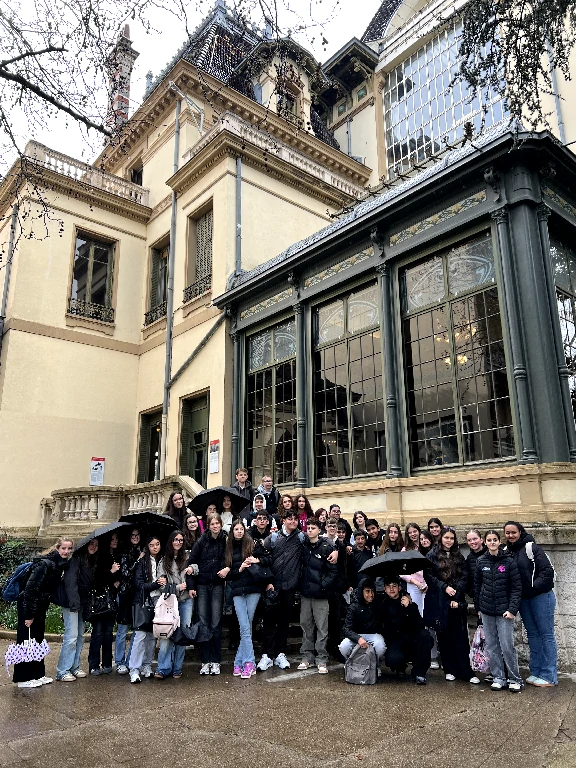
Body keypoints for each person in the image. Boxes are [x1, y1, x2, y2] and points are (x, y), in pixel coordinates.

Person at [13, 538, 74, 688]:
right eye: (64, 548)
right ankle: (23, 678)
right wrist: (29, 615)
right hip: (29, 606)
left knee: (38, 640)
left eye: (69, 549)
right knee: (26, 641)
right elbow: (30, 590)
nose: (66, 552)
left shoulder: (59, 564)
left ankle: (37, 674)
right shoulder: (45, 564)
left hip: (39, 607)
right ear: (57, 548)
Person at [504, 521, 557, 687]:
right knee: (533, 635)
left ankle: (549, 675)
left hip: (540, 597)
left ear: (520, 532)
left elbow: (547, 572)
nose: (510, 535)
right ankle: (536, 672)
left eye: (513, 532)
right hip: (523, 599)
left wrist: (533, 588)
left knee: (546, 635)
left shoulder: (531, 548)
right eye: (507, 533)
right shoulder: (506, 552)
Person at [425, 527, 480, 684]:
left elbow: (465, 575)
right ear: (441, 538)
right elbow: (429, 576)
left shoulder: (458, 555)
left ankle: (466, 671)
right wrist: (444, 587)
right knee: (444, 636)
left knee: (461, 636)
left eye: (451, 538)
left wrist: (456, 593)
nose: (449, 541)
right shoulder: (432, 555)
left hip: (457, 599)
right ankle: (449, 669)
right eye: (446, 537)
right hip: (441, 600)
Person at [474, 530, 523, 692]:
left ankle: (515, 679)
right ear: (485, 542)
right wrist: (479, 608)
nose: (492, 542)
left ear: (499, 542)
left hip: (504, 612)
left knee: (507, 645)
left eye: (495, 540)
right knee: (492, 646)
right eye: (489, 540)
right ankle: (498, 677)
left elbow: (516, 588)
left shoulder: (509, 562)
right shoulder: (481, 562)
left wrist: (512, 610)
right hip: (487, 611)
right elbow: (477, 587)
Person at [258, 509, 305, 671]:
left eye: (295, 519)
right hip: (273, 586)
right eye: (290, 519)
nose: (293, 522)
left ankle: (279, 653)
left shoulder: (300, 537)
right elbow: (262, 559)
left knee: (285, 621)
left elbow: (317, 542)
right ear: (283, 520)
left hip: (290, 587)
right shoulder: (273, 538)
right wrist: (267, 581)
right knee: (269, 621)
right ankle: (267, 654)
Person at [226, 520, 270, 678]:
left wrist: (255, 560)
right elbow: (227, 574)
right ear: (232, 531)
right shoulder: (229, 549)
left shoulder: (253, 545)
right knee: (244, 627)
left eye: (241, 529)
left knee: (246, 627)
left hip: (253, 589)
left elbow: (268, 560)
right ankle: (245, 662)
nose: (239, 531)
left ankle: (245, 663)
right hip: (237, 591)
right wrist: (239, 569)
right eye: (236, 529)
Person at [187, 513, 228, 675]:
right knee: (204, 623)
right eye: (212, 524)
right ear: (208, 526)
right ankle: (205, 661)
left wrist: (227, 569)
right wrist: (191, 586)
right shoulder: (201, 541)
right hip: (203, 584)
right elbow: (191, 563)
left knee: (216, 624)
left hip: (217, 585)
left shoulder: (226, 540)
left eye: (217, 523)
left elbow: (230, 560)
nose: (215, 526)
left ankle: (216, 660)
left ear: (221, 524)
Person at [297, 518, 338, 674]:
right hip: (306, 594)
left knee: (322, 628)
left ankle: (321, 658)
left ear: (319, 530)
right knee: (306, 626)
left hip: (321, 595)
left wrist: (323, 585)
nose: (310, 530)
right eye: (308, 528)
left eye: (313, 528)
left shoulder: (327, 547)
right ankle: (306, 656)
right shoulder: (303, 546)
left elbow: (333, 571)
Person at [54, 538, 96, 681]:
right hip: (72, 604)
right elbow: (70, 584)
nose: (94, 547)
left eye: (96, 545)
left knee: (79, 637)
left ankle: (74, 667)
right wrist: (74, 605)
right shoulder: (75, 560)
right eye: (91, 544)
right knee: (71, 637)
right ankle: (62, 670)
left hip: (81, 603)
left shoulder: (88, 561)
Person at [154, 529, 193, 679]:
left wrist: (192, 568)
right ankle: (163, 667)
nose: (178, 542)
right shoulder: (164, 561)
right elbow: (161, 583)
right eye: (175, 540)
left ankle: (177, 667)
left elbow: (197, 568)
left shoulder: (187, 557)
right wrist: (177, 588)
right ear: (171, 542)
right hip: (170, 601)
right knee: (166, 632)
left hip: (185, 601)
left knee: (182, 633)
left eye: (180, 540)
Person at [380, 577, 433, 685]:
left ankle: (419, 673)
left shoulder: (408, 602)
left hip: (410, 638)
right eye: (388, 587)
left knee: (425, 636)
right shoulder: (382, 604)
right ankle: (400, 668)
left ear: (399, 588)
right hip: (394, 641)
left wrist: (408, 608)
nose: (391, 589)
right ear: (385, 589)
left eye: (394, 586)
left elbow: (420, 624)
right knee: (393, 659)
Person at [129, 537, 166, 683]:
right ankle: (134, 669)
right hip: (143, 602)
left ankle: (147, 665)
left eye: (157, 544)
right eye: (151, 545)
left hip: (160, 601)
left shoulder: (164, 561)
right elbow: (139, 585)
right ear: (147, 546)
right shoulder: (142, 562)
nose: (155, 547)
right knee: (139, 636)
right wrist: (156, 584)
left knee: (152, 636)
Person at [89, 533, 121, 676]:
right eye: (112, 539)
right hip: (100, 600)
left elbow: (116, 578)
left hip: (111, 599)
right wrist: (111, 572)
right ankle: (94, 664)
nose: (115, 541)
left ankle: (107, 662)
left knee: (108, 633)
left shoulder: (114, 555)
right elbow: (97, 579)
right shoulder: (101, 557)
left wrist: (116, 580)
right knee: (98, 632)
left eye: (116, 539)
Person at [115, 528, 144, 675]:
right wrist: (138, 561)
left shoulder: (142, 550)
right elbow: (125, 574)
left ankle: (130, 660)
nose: (135, 537)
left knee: (136, 631)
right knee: (122, 630)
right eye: (133, 535)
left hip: (137, 595)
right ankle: (119, 661)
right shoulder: (125, 551)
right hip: (125, 594)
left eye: (137, 535)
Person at [339, 578, 385, 665]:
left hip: (373, 635)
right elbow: (346, 629)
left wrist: (406, 594)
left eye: (372, 591)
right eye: (367, 591)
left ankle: (375, 665)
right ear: (361, 591)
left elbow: (391, 595)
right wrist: (358, 638)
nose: (371, 595)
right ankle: (351, 664)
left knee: (381, 646)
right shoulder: (354, 606)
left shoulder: (377, 602)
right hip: (356, 635)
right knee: (343, 646)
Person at [323, 517, 347, 656]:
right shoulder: (321, 541)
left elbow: (343, 566)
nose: (332, 528)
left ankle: (334, 646)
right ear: (326, 527)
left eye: (334, 526)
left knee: (335, 618)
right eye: (330, 525)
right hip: (323, 585)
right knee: (321, 618)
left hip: (336, 587)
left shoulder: (341, 545)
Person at [401, 523, 427, 617]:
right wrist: (416, 582)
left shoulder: (426, 546)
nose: (413, 534)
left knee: (428, 610)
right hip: (413, 584)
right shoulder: (405, 550)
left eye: (415, 531)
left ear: (419, 531)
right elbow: (402, 571)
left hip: (428, 583)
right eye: (410, 532)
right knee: (417, 610)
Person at [465, 529, 487, 600]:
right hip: (478, 597)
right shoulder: (469, 558)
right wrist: (471, 592)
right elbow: (468, 577)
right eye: (469, 540)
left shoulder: (490, 554)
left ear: (481, 540)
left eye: (475, 539)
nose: (472, 542)